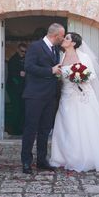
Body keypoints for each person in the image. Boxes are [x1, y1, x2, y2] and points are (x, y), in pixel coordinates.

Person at [50, 32, 99, 172]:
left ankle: (87, 157)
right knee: (66, 125)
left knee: (83, 125)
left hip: (82, 96)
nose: (64, 39)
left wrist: (81, 78)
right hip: (66, 95)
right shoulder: (62, 56)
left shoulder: (84, 57)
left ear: (74, 43)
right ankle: (63, 157)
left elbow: (92, 74)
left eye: (67, 38)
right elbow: (61, 74)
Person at [20, 23, 65, 174]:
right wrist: (50, 70)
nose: (63, 38)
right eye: (62, 36)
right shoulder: (35, 46)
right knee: (30, 129)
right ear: (56, 35)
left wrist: (57, 73)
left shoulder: (55, 49)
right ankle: (26, 161)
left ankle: (41, 160)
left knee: (45, 129)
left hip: (50, 96)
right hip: (35, 95)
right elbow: (29, 67)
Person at [6, 43, 27, 136]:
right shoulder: (13, 60)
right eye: (22, 51)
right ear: (18, 50)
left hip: (21, 88)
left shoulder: (24, 60)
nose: (24, 53)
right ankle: (13, 129)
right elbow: (12, 75)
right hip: (14, 88)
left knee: (21, 108)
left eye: (25, 52)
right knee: (16, 108)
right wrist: (19, 74)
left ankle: (19, 128)